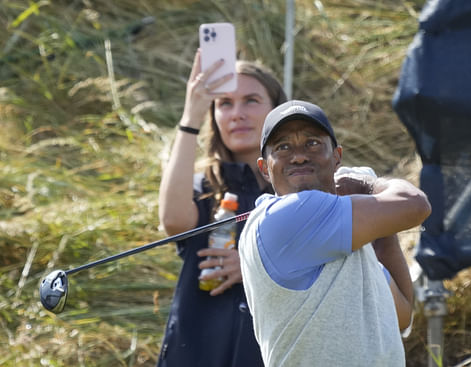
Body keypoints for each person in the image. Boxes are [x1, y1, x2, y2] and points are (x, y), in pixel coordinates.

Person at [239, 100, 432, 366]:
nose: (298, 156)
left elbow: (401, 314)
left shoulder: (346, 234)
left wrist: (380, 221)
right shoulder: (285, 218)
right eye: (283, 147)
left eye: (313, 143)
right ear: (264, 168)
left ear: (337, 157)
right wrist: (368, 184)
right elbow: (415, 204)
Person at [156, 49, 287, 367]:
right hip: (197, 353)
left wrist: (256, 271)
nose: (237, 113)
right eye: (225, 103)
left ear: (277, 111)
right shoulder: (202, 187)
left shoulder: (299, 194)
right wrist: (191, 117)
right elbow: (173, 222)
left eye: (251, 100)